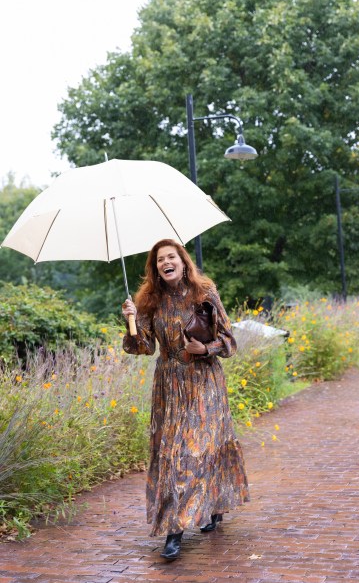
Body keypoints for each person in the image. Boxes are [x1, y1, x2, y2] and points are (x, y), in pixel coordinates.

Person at [122, 239, 249, 560]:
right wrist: (131, 320)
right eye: (160, 260)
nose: (166, 262)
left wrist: (204, 349)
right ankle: (175, 526)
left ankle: (200, 515)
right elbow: (143, 348)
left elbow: (230, 343)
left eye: (171, 257)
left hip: (204, 381)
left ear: (182, 261)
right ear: (155, 268)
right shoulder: (148, 302)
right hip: (169, 384)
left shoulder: (205, 293)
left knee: (202, 447)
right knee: (174, 453)